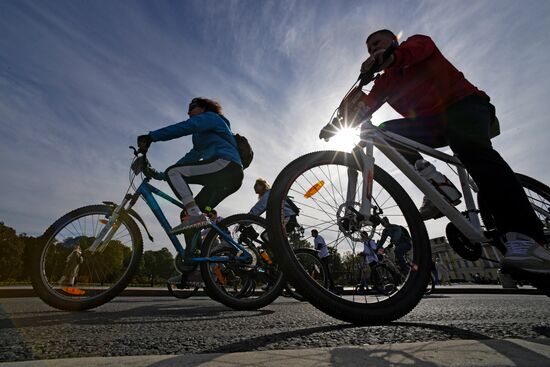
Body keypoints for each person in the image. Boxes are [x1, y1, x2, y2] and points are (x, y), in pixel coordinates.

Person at [334, 29, 549, 275]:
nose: (373, 50)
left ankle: (528, 239)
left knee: (470, 148)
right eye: (370, 49)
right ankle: (434, 180)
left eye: (377, 44)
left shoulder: (416, 45)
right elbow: (367, 105)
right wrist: (338, 122)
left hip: (465, 106)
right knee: (383, 132)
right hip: (432, 124)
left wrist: (391, 56)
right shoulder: (386, 81)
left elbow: (412, 52)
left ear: (393, 42)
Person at [137, 97, 243, 234]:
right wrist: (160, 175)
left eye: (192, 108)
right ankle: (196, 253)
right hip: (224, 178)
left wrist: (151, 137)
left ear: (203, 108)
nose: (188, 113)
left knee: (176, 178)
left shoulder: (211, 117)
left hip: (227, 165)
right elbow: (189, 159)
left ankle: (195, 214)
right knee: (186, 217)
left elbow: (186, 126)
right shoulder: (199, 136)